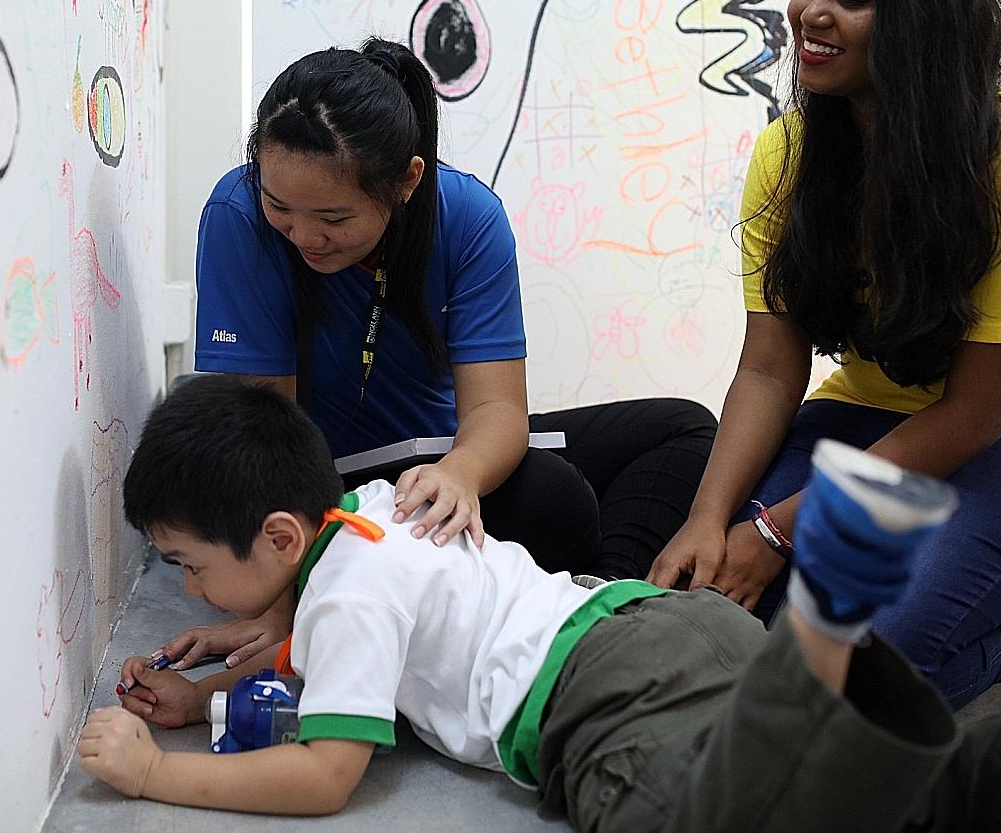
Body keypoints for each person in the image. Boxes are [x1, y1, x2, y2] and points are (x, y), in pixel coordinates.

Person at [76, 375, 1001, 832]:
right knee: (847, 808)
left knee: (698, 822)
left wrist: (160, 772)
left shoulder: (342, 607)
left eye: (185, 561)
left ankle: (828, 614)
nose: (187, 588)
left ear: (275, 539)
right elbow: (309, 632)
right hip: (659, 624)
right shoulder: (362, 512)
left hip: (597, 700)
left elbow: (325, 771)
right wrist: (214, 686)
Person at [648, 0, 1001, 709]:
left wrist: (773, 529)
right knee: (731, 619)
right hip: (873, 419)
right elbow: (771, 370)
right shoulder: (790, 155)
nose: (811, 11)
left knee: (854, 662)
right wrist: (711, 517)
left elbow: (974, 416)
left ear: (926, 19)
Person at [167, 37, 716, 668]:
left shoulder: (468, 217)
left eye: (335, 219)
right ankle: (583, 617)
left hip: (434, 457)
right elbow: (262, 439)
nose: (305, 237)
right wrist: (283, 600)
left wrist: (461, 474)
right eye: (281, 207)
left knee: (684, 429)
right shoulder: (238, 216)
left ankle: (606, 602)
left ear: (405, 181)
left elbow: (498, 412)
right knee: (553, 501)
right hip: (324, 481)